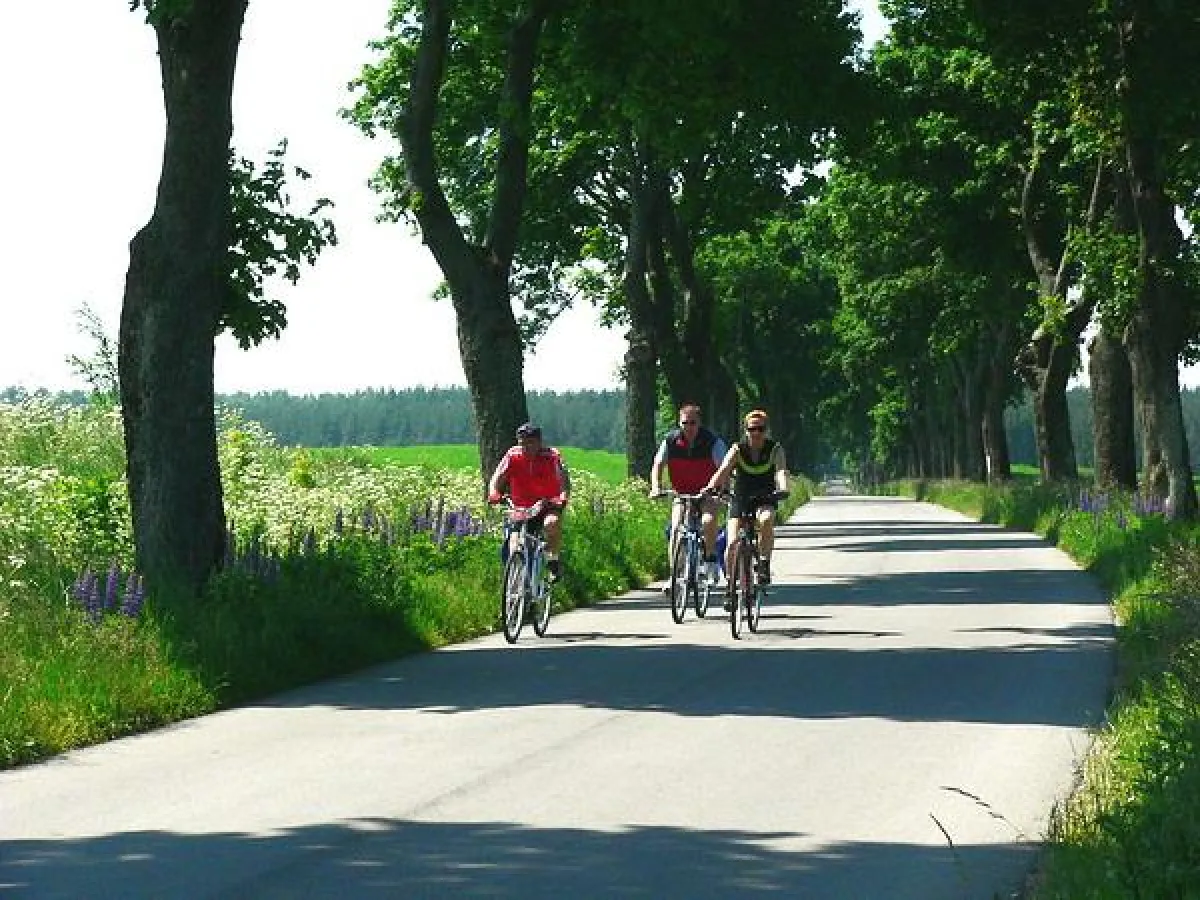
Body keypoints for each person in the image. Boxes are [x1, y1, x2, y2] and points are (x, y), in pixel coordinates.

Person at [703, 409, 789, 602]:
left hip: (765, 496)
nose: (756, 433)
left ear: (766, 430)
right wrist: (711, 486)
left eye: (761, 429)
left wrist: (783, 488)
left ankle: (764, 563)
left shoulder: (775, 449)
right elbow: (723, 470)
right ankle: (730, 586)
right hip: (741, 498)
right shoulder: (737, 449)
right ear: (746, 430)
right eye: (752, 429)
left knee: (766, 519)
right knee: (732, 544)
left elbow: (781, 471)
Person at [649, 403, 727, 584]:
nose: (689, 427)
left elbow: (724, 468)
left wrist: (721, 490)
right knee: (676, 528)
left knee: (708, 521)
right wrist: (655, 486)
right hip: (682, 494)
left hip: (706, 493)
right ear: (679, 423)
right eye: (685, 423)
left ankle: (709, 560)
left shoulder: (712, 442)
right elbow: (657, 465)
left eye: (693, 423)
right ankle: (674, 576)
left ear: (699, 423)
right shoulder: (670, 441)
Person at [487, 422, 571, 580]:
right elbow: (497, 477)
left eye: (530, 443)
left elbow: (563, 480)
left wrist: (562, 497)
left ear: (539, 442)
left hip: (547, 504)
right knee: (514, 543)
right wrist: (494, 493)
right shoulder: (512, 456)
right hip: (520, 507)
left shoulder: (552, 456)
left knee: (551, 524)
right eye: (522, 443)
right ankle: (517, 583)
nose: (526, 447)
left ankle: (553, 559)